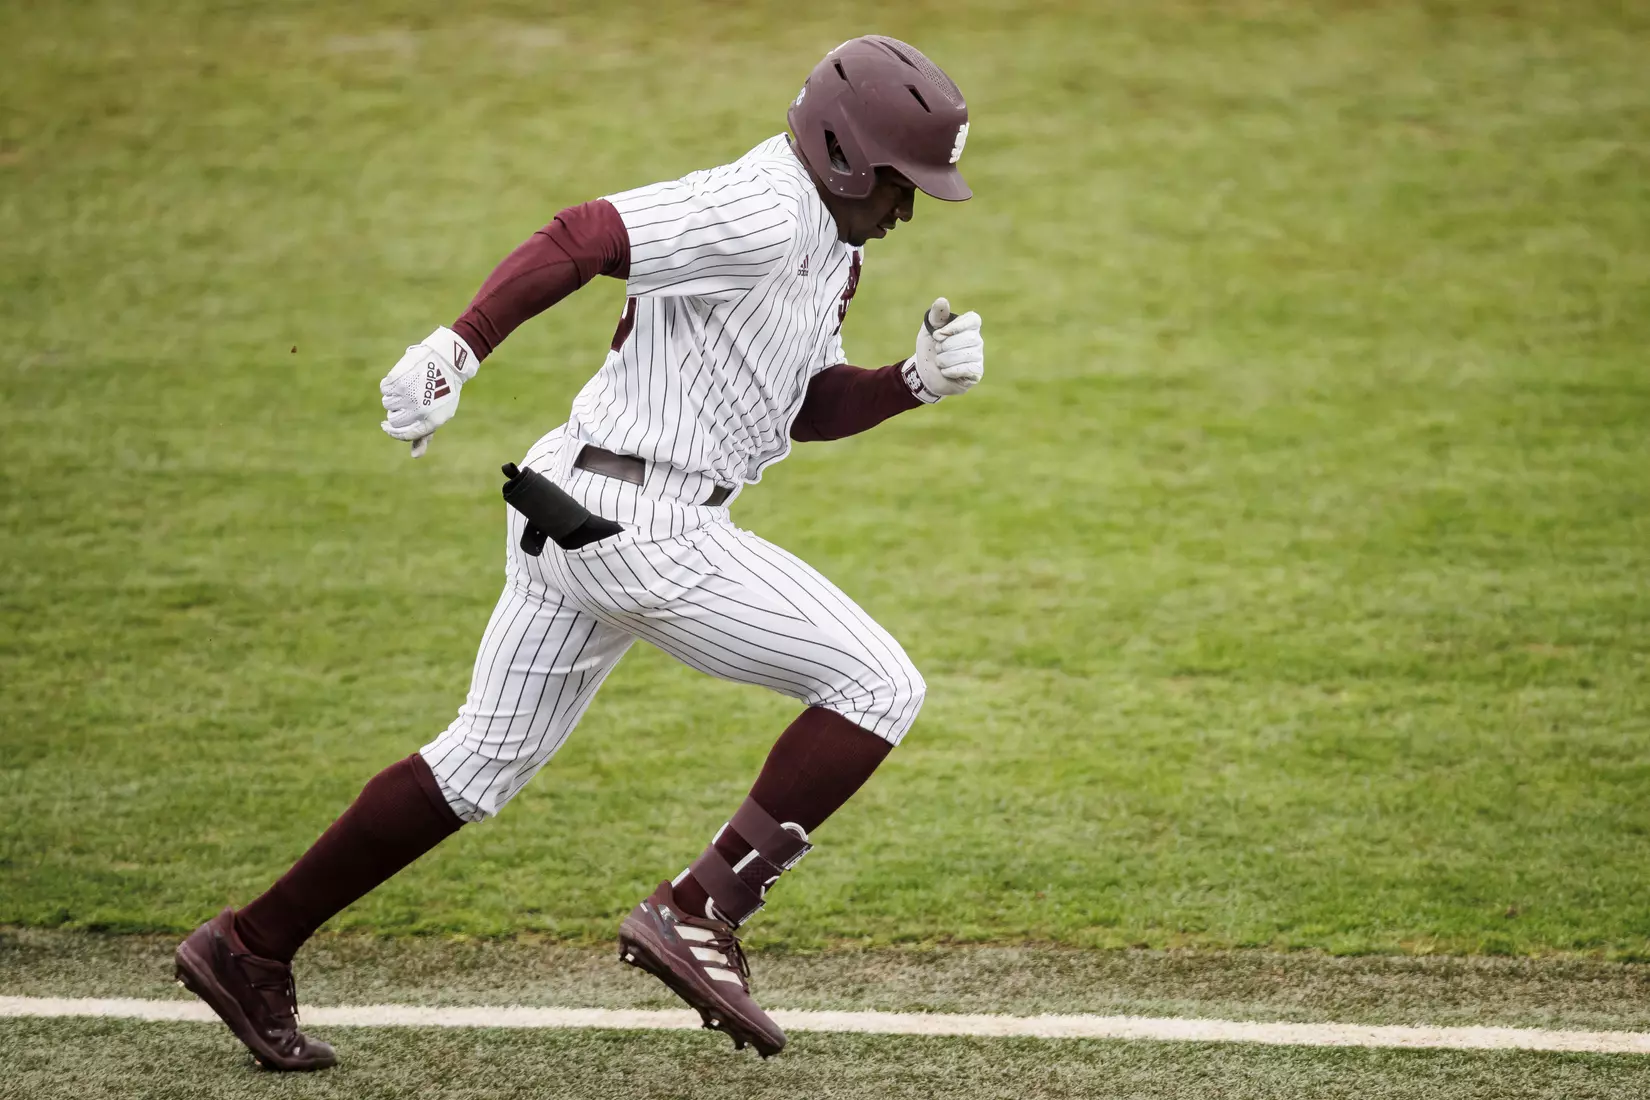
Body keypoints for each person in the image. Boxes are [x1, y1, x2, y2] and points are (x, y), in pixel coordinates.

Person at [173, 34, 984, 1069]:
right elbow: (584, 233)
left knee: (474, 764)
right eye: (901, 181)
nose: (910, 206)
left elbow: (801, 405)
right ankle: (700, 907)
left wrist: (909, 383)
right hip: (644, 527)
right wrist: (457, 344)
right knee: (880, 683)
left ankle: (250, 944)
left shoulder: (834, 243)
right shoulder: (758, 206)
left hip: (574, 506)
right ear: (839, 152)